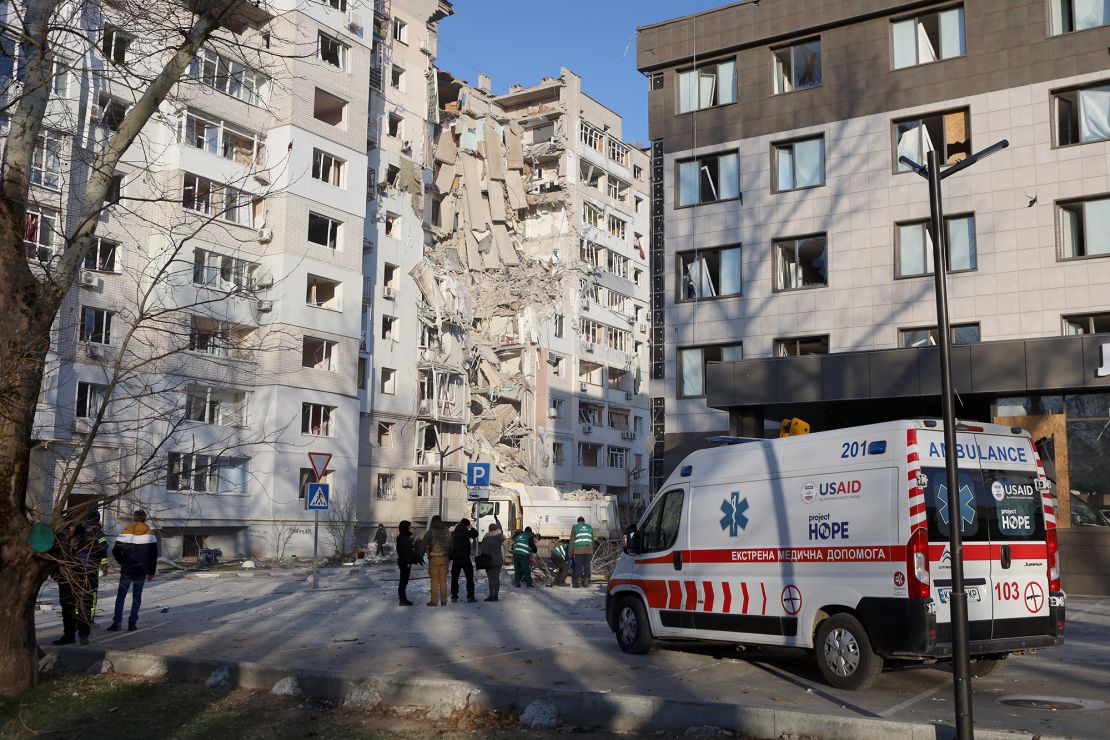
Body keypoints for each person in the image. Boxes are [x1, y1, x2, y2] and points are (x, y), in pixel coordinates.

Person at [54, 509, 108, 645]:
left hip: (86, 576)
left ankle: (84, 634)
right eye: (69, 526)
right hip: (66, 576)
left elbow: (100, 551)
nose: (70, 528)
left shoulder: (89, 533)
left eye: (72, 525)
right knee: (67, 606)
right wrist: (56, 575)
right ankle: (69, 635)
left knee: (85, 605)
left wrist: (97, 566)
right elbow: (55, 555)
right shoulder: (61, 535)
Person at [108, 510, 158, 632]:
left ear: (134, 518)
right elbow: (153, 556)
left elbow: (115, 551)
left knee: (121, 597)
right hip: (142, 571)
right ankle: (132, 624)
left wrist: (122, 563)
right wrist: (151, 572)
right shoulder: (150, 534)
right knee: (137, 597)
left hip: (127, 570)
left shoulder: (126, 532)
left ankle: (117, 623)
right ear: (145, 519)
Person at [421, 515, 451, 606]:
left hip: (434, 558)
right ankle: (444, 600)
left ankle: (434, 601)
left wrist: (419, 556)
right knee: (443, 579)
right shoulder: (447, 532)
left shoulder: (430, 532)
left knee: (434, 579)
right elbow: (452, 545)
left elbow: (423, 544)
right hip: (444, 558)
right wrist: (448, 555)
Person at [449, 518, 478, 603]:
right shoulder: (466, 532)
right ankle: (470, 596)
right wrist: (471, 527)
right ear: (467, 525)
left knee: (455, 578)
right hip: (465, 558)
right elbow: (476, 533)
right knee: (469, 577)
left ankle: (454, 596)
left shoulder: (453, 533)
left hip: (456, 558)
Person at [479, 522, 505, 601]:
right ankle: (496, 596)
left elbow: (485, 551)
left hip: (490, 561)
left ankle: (491, 596)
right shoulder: (500, 538)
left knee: (491, 579)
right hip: (499, 561)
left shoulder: (487, 539)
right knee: (496, 578)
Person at [571, 516, 594, 588]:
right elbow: (592, 540)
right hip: (588, 550)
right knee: (587, 565)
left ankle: (578, 582)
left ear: (578, 521)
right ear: (584, 521)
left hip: (578, 550)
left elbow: (572, 540)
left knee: (579, 566)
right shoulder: (590, 527)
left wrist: (570, 551)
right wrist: (591, 550)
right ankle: (586, 582)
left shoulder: (575, 527)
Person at [396, 520, 415, 606]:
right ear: (405, 528)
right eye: (409, 527)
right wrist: (408, 562)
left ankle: (403, 598)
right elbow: (404, 552)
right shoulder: (402, 538)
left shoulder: (404, 537)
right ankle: (402, 599)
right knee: (403, 581)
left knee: (404, 581)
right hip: (404, 562)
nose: (410, 528)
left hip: (405, 562)